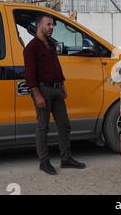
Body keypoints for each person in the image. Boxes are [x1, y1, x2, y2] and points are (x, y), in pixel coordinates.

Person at [23, 13, 85, 175]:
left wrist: (62, 84)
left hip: (56, 89)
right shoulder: (31, 48)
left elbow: (56, 66)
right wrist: (37, 95)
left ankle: (66, 159)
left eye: (52, 25)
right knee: (43, 127)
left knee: (64, 125)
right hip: (42, 91)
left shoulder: (50, 44)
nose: (51, 27)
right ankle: (44, 162)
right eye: (48, 24)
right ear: (39, 26)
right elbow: (29, 75)